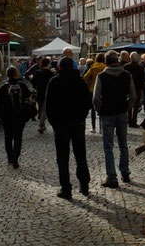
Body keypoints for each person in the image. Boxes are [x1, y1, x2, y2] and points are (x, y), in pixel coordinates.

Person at [45, 57, 92, 199]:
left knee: (62, 158)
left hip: (61, 125)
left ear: (59, 67)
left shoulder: (54, 82)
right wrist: (82, 117)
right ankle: (84, 185)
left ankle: (66, 188)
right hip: (77, 123)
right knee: (80, 155)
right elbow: (87, 102)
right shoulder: (80, 81)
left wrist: (54, 123)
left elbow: (49, 105)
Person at [93, 50, 136, 188]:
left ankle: (112, 177)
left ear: (106, 61)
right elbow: (133, 96)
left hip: (107, 114)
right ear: (117, 61)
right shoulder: (126, 75)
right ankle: (125, 173)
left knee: (108, 147)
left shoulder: (102, 76)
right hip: (121, 113)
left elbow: (95, 98)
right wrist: (127, 108)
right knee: (123, 144)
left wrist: (100, 110)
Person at [0, 65, 31, 169]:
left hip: (6, 117)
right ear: (16, 74)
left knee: (8, 137)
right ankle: (15, 158)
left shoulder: (3, 87)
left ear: (7, 75)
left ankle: (10, 157)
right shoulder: (22, 86)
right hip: (19, 116)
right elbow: (28, 97)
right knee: (18, 138)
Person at [83, 53, 106, 133]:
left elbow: (85, 77)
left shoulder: (93, 67)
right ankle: (101, 128)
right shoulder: (105, 67)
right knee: (101, 110)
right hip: (103, 91)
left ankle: (93, 128)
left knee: (93, 110)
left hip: (92, 90)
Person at [31, 58, 54, 134]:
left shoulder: (38, 72)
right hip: (48, 93)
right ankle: (42, 124)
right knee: (46, 109)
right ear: (48, 64)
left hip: (40, 92)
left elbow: (33, 82)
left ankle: (42, 124)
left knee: (41, 108)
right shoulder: (50, 73)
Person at [123, 52, 144, 128]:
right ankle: (134, 121)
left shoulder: (126, 66)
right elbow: (142, 79)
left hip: (128, 88)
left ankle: (128, 120)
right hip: (137, 88)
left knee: (129, 104)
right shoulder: (140, 67)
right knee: (136, 106)